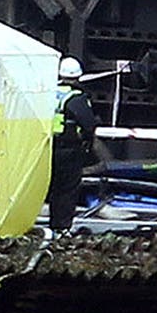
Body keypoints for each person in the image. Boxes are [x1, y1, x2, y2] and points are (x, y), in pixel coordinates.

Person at [48, 56, 99, 235]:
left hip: (48, 147)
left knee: (52, 187)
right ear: (78, 76)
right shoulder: (76, 98)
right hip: (69, 148)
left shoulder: (49, 93)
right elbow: (88, 124)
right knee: (67, 188)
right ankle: (61, 227)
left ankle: (52, 223)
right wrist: (88, 143)